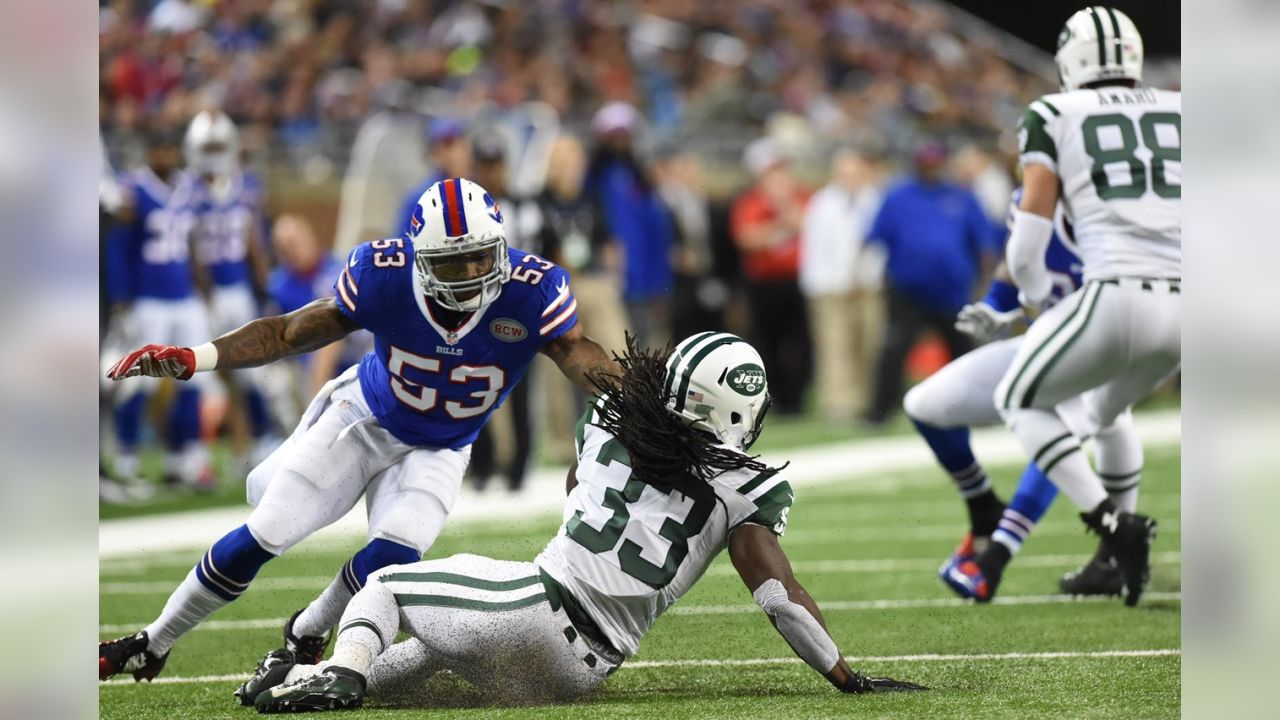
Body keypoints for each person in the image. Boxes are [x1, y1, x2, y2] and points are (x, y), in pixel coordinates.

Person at [99, 177, 621, 682]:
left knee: (393, 560)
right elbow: (286, 333)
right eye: (450, 261)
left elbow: (579, 354)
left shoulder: (533, 291)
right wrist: (197, 356)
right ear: (420, 261)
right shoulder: (383, 274)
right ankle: (152, 641)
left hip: (441, 446)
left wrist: (637, 400)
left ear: (501, 248)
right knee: (268, 531)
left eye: (480, 257)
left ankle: (306, 631)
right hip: (365, 417)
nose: (468, 274)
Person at [236, 333, 925, 712]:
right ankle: (299, 684)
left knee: (384, 584)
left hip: (535, 608)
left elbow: (578, 493)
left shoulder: (608, 422)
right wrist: (845, 676)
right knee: (407, 669)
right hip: (581, 670)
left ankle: (323, 659)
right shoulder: (747, 487)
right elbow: (781, 601)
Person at [993, 6, 1180, 607]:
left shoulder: (1054, 111)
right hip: (1191, 304)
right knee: (1103, 411)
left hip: (1117, 292)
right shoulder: (1183, 107)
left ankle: (1113, 525)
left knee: (1016, 398)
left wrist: (1032, 294)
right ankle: (1109, 560)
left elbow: (1029, 240)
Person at [905, 189, 1143, 602]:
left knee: (1074, 427)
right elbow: (1015, 265)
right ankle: (983, 506)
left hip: (1101, 355)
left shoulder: (1117, 209)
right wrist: (997, 305)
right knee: (924, 405)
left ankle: (1003, 555)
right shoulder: (1030, 197)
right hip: (1043, 346)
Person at [104, 127, 213, 490]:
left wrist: (202, 286)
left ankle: (184, 458)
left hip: (185, 297)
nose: (165, 156)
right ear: (150, 153)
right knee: (140, 385)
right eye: (160, 150)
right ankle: (127, 457)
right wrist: (122, 297)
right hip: (148, 300)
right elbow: (118, 246)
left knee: (195, 376)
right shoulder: (132, 188)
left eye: (170, 149)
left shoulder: (188, 187)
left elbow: (193, 241)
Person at [861, 141, 999, 425]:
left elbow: (984, 241)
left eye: (935, 161)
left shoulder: (962, 196)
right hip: (906, 290)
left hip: (952, 291)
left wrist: (988, 277)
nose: (930, 166)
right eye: (925, 161)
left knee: (964, 354)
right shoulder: (898, 196)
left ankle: (976, 410)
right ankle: (879, 413)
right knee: (893, 350)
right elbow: (875, 237)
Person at [179, 110, 279, 464]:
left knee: (253, 373)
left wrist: (264, 288)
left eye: (219, 145)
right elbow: (187, 246)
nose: (214, 153)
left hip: (238, 290)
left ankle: (260, 441)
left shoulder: (246, 185)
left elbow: (256, 243)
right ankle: (194, 453)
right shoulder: (185, 188)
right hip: (201, 295)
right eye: (208, 146)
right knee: (200, 375)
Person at [534, 134, 627, 463]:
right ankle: (561, 443)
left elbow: (608, 242)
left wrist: (615, 275)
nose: (568, 167)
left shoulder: (591, 198)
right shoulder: (537, 201)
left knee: (618, 350)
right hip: (554, 287)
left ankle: (630, 424)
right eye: (560, 160)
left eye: (572, 159)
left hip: (591, 280)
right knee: (555, 364)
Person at [466, 135, 536, 493]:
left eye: (496, 166)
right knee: (475, 387)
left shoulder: (526, 206)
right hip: (476, 308)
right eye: (485, 166)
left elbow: (544, 253)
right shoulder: (467, 209)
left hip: (519, 306)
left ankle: (519, 467)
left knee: (521, 388)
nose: (491, 173)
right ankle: (481, 464)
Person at [730, 138, 814, 415]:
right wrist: (780, 224)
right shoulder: (751, 203)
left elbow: (812, 226)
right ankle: (770, 397)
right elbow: (747, 239)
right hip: (764, 283)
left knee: (801, 341)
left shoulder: (803, 196)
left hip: (798, 280)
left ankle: (797, 398)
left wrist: (786, 220)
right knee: (766, 342)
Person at [800, 148, 884, 422]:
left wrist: (869, 277)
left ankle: (867, 400)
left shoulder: (876, 200)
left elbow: (880, 246)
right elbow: (814, 249)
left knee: (869, 343)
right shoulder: (822, 203)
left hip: (869, 287)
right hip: (831, 288)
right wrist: (822, 284)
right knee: (835, 347)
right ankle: (839, 404)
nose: (851, 178)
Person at [585, 102, 675, 347]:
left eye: (624, 135)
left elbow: (655, 230)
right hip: (608, 276)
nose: (619, 142)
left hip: (643, 279)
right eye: (613, 136)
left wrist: (660, 280)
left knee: (643, 341)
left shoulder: (640, 179)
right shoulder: (592, 180)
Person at [267, 214, 371, 404]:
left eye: (294, 241)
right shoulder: (277, 287)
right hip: (304, 360)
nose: (292, 250)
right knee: (276, 379)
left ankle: (315, 411)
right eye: (284, 246)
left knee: (330, 330)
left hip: (353, 350)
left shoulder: (340, 268)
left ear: (309, 236)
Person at [394, 117, 472, 237]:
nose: (456, 152)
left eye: (458, 142)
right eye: (447, 146)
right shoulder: (421, 197)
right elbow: (402, 243)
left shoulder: (480, 186)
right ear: (434, 155)